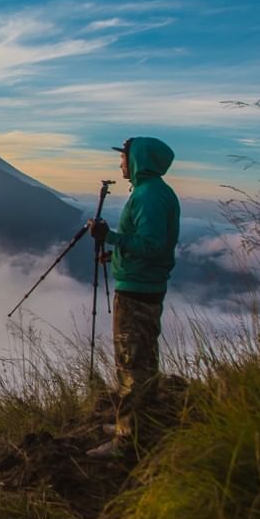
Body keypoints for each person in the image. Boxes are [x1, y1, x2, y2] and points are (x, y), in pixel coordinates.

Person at [85, 136, 180, 458]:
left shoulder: (149, 197)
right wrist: (117, 257)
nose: (121, 163)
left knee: (132, 364)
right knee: (141, 359)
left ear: (139, 159)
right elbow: (148, 244)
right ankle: (140, 423)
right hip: (142, 283)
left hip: (138, 290)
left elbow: (152, 245)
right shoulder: (151, 193)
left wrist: (108, 237)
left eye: (124, 157)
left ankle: (129, 439)